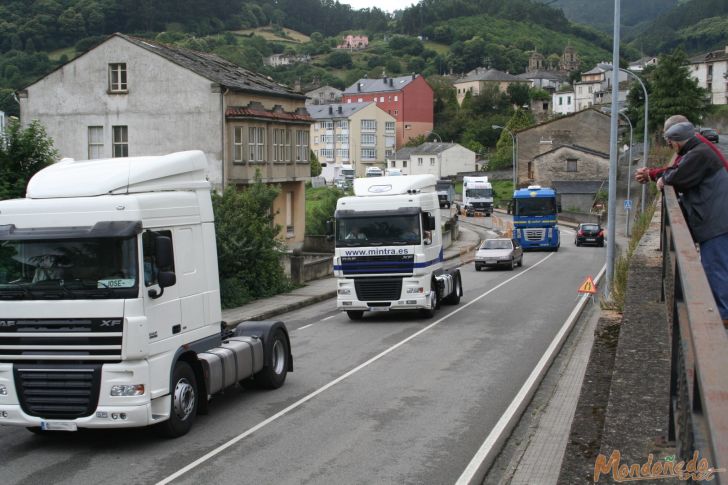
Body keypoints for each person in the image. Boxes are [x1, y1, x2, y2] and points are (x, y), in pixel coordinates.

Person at [659, 121, 728, 326]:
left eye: (671, 144)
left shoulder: (698, 155)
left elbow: (676, 177)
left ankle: (723, 314)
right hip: (717, 216)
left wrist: (663, 179)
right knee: (716, 264)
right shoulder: (700, 150)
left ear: (677, 143)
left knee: (714, 266)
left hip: (716, 219)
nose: (672, 148)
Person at [635, 114, 728, 184]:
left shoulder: (696, 149)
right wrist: (650, 173)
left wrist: (650, 174)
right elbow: (677, 168)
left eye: (668, 137)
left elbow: (677, 174)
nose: (668, 142)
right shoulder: (694, 143)